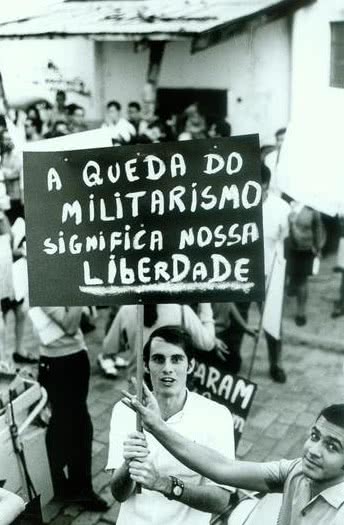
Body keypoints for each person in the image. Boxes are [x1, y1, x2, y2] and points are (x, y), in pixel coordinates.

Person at [123, 392, 344, 524]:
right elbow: (222, 468)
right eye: (314, 436)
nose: (314, 450)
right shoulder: (297, 470)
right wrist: (157, 426)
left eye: (332, 447)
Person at [106, 325, 235, 525]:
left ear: (190, 366)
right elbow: (119, 494)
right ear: (146, 366)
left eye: (176, 359)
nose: (168, 368)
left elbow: (220, 500)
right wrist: (128, 464)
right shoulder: (125, 410)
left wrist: (164, 484)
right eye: (158, 359)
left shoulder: (217, 416)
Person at [36, 306, 109, 511]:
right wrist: (77, 298)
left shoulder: (51, 277)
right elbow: (70, 324)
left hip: (69, 358)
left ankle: (64, 485)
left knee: (71, 424)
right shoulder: (42, 279)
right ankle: (72, 487)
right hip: (59, 362)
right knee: (74, 426)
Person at [99, 303, 224, 378]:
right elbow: (208, 344)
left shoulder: (126, 309)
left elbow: (108, 347)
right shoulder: (182, 311)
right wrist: (205, 305)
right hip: (172, 388)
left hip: (138, 388)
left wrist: (133, 340)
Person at [287, 202, 325, 326]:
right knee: (291, 276)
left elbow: (318, 228)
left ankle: (301, 312)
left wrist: (318, 248)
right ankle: (292, 287)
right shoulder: (288, 205)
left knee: (302, 281)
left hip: (305, 248)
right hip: (288, 246)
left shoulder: (312, 208)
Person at [264, 127, 286, 196]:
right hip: (271, 194)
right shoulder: (269, 157)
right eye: (278, 140)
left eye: (283, 140)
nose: (281, 143)